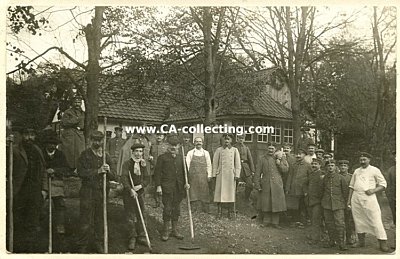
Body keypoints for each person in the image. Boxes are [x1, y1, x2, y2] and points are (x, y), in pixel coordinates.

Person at [8, 127, 47, 252]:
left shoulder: (37, 150)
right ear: (21, 135)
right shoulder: (13, 150)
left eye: (32, 135)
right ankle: (16, 249)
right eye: (26, 134)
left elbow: (44, 170)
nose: (29, 138)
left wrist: (44, 189)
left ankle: (30, 250)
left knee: (33, 222)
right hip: (19, 191)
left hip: (35, 191)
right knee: (18, 221)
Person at [76, 131, 116, 253]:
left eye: (99, 140)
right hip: (88, 192)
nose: (97, 142)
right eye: (95, 140)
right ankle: (82, 245)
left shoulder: (106, 156)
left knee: (100, 219)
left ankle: (99, 243)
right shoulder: (85, 155)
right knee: (86, 220)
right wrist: (97, 171)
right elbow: (80, 172)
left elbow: (114, 176)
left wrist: (108, 171)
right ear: (91, 140)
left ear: (103, 141)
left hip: (102, 192)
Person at [347, 152, 389, 252]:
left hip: (369, 198)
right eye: (361, 160)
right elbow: (351, 186)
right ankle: (361, 242)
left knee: (375, 219)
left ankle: (383, 243)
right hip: (356, 198)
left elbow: (383, 184)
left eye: (364, 159)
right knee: (358, 220)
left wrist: (373, 190)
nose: (362, 161)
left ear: (369, 160)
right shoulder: (357, 171)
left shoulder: (375, 170)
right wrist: (349, 200)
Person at [154, 137, 190, 241]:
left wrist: (187, 183)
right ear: (168, 146)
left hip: (179, 188)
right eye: (171, 145)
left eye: (176, 145)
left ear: (179, 146)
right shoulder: (162, 158)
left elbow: (185, 173)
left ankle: (175, 230)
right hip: (167, 187)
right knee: (167, 208)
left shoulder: (181, 158)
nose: (174, 147)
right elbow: (157, 173)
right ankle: (166, 230)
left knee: (176, 208)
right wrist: (158, 186)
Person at [121, 143, 149, 250]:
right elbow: (124, 178)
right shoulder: (127, 164)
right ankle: (132, 237)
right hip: (129, 193)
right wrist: (130, 189)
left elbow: (147, 178)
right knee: (130, 215)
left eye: (140, 151)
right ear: (132, 152)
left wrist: (141, 186)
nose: (138, 154)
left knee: (142, 214)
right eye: (136, 151)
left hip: (140, 193)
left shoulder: (143, 164)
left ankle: (142, 236)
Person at [41, 130, 69, 235]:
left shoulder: (60, 155)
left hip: (56, 184)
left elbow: (66, 169)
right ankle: (38, 223)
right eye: (50, 143)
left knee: (60, 204)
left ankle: (60, 225)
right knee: (40, 202)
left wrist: (55, 170)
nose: (52, 145)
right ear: (46, 144)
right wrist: (45, 171)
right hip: (43, 183)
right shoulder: (41, 153)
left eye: (54, 144)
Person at [253, 143, 288, 228]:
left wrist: (279, 163)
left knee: (277, 203)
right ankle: (266, 221)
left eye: (272, 148)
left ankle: (275, 222)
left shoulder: (280, 158)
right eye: (269, 148)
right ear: (267, 149)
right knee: (266, 202)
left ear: (275, 149)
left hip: (277, 184)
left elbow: (286, 170)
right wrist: (257, 184)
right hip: (266, 183)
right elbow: (257, 172)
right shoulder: (262, 159)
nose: (270, 150)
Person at [321, 159, 349, 250]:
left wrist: (345, 204)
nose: (330, 167)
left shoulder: (341, 178)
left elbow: (345, 192)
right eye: (328, 166)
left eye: (332, 165)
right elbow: (322, 191)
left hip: (338, 204)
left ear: (335, 167)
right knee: (329, 223)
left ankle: (341, 243)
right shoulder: (325, 178)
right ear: (326, 167)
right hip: (327, 204)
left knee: (340, 223)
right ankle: (332, 241)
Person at [212, 134, 241, 219]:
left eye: (228, 139)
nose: (227, 141)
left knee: (230, 194)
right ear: (223, 140)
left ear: (231, 140)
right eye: (225, 139)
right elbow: (215, 163)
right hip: (221, 175)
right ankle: (219, 212)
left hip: (231, 175)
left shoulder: (235, 150)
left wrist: (237, 174)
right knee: (219, 193)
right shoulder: (219, 150)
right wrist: (214, 174)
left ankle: (230, 213)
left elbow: (238, 164)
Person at [285, 148, 312, 227]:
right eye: (297, 154)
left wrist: (307, 189)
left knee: (302, 206)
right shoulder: (294, 165)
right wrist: (287, 188)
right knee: (294, 205)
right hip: (294, 189)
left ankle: (303, 222)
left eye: (301, 154)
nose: (298, 155)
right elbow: (290, 176)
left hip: (303, 190)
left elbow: (310, 178)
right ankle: (295, 221)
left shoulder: (308, 165)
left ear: (304, 155)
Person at [186, 137, 212, 213]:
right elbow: (187, 164)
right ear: (194, 143)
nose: (198, 143)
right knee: (193, 190)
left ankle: (205, 207)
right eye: (197, 141)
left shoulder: (206, 153)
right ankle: (193, 207)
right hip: (193, 175)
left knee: (204, 190)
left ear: (202, 143)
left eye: (200, 141)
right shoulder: (190, 153)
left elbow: (209, 165)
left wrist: (209, 175)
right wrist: (188, 175)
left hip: (203, 175)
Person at [59, 95, 85, 171]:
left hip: (79, 135)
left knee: (79, 152)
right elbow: (64, 123)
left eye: (79, 102)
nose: (77, 104)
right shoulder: (68, 112)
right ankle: (68, 169)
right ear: (72, 103)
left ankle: (78, 169)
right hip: (70, 135)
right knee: (69, 152)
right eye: (75, 102)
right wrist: (76, 120)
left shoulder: (83, 113)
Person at [304, 158, 324, 242]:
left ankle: (315, 238)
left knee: (316, 219)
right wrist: (305, 192)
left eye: (316, 164)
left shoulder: (322, 175)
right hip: (310, 200)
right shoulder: (311, 174)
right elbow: (305, 183)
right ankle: (315, 235)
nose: (314, 166)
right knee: (312, 219)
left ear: (320, 165)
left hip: (318, 201)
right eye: (313, 164)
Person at [337, 160, 356, 245]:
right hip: (338, 202)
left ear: (348, 167)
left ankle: (349, 238)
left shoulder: (351, 177)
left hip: (349, 201)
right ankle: (340, 239)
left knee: (349, 221)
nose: (343, 167)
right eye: (341, 166)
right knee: (339, 221)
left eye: (345, 166)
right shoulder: (336, 176)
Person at [234, 134, 255, 201]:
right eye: (239, 138)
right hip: (236, 167)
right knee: (234, 184)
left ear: (244, 139)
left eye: (242, 138)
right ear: (237, 139)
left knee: (250, 184)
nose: (241, 139)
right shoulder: (234, 147)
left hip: (245, 168)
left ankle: (246, 198)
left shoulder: (246, 148)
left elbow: (250, 159)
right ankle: (233, 198)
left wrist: (252, 170)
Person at [386, 151, 396, 226]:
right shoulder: (391, 170)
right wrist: (390, 197)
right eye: (395, 157)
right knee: (395, 213)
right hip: (394, 196)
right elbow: (388, 184)